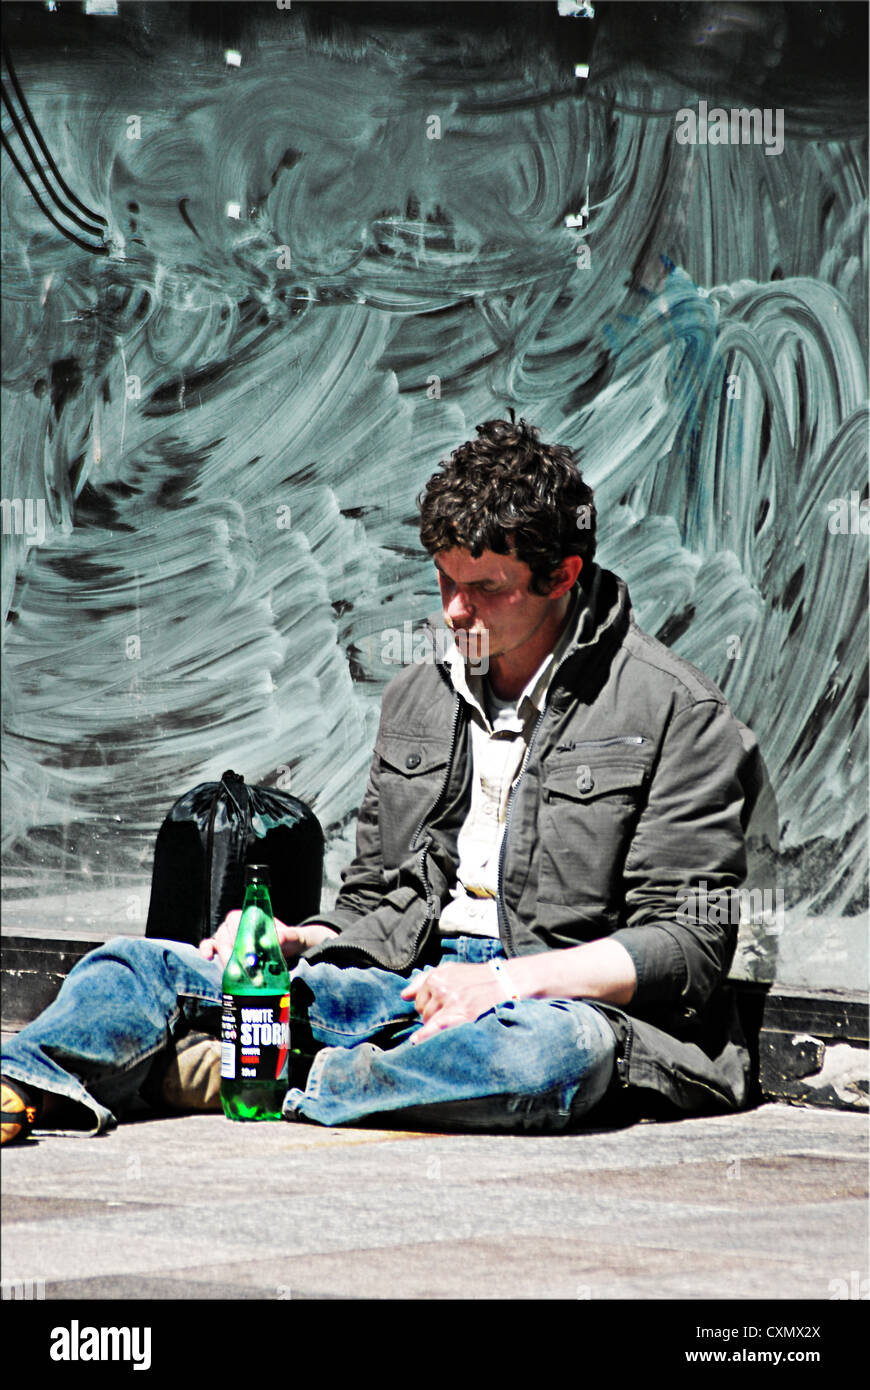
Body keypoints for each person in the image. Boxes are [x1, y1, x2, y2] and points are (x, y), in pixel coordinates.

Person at [1, 415, 763, 1144]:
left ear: (563, 574)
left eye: (488, 588)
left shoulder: (675, 710)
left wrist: (501, 984)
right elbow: (374, 897)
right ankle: (21, 1080)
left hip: (549, 1008)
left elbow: (688, 946)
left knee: (546, 1062)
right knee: (139, 966)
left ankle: (272, 1076)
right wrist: (296, 940)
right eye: (444, 582)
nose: (457, 612)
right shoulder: (418, 695)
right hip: (401, 986)